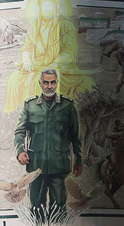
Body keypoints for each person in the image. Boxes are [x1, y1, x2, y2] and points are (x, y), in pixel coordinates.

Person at [14, 68, 83, 214]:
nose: (49, 86)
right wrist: (20, 151)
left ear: (57, 83)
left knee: (58, 207)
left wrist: (79, 160)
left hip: (59, 165)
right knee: (36, 207)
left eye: (52, 82)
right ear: (40, 83)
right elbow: (20, 131)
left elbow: (75, 136)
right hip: (36, 166)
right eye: (46, 82)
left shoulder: (67, 106)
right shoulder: (30, 106)